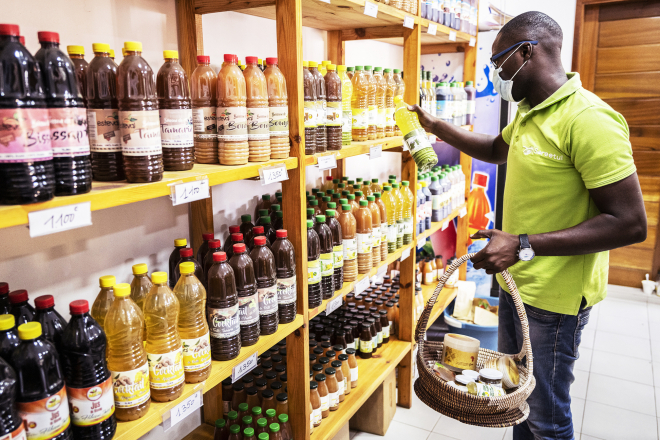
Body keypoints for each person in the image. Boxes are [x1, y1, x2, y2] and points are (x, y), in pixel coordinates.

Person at [409, 11, 647, 440]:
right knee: (518, 401)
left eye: (498, 63)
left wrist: (521, 243)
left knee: (545, 418)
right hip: (518, 285)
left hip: (555, 300)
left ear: (526, 53)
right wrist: (436, 127)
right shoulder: (528, 111)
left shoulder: (588, 119)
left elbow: (629, 223)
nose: (495, 74)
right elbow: (496, 149)